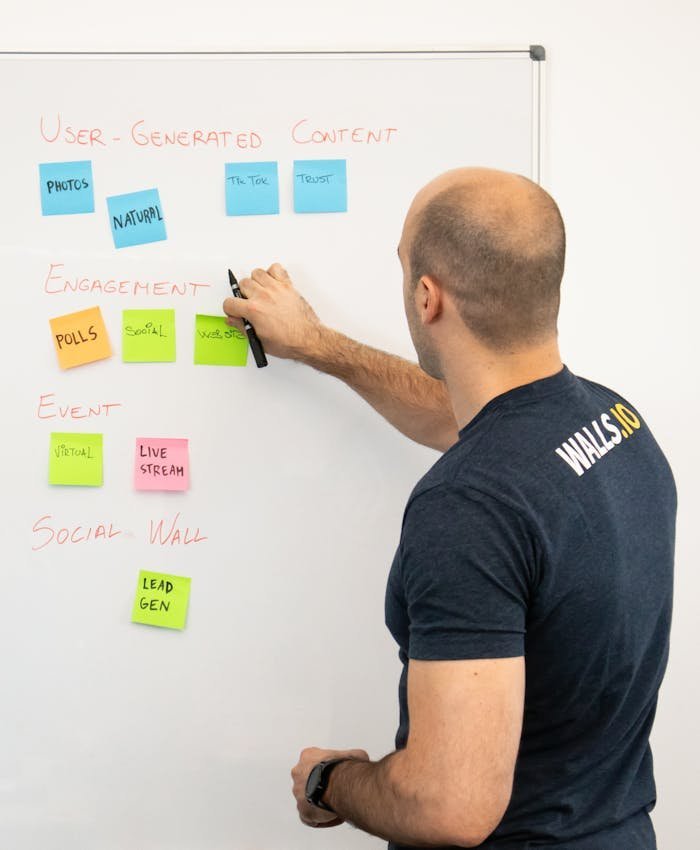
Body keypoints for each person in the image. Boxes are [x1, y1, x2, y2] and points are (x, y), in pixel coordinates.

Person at [222, 167, 676, 849]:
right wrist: (317, 344)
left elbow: (450, 805)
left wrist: (329, 781)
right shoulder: (614, 421)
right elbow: (459, 416)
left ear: (427, 297)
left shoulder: (469, 506)